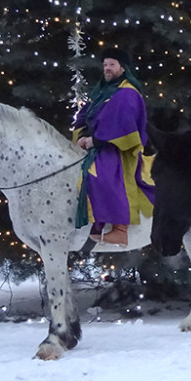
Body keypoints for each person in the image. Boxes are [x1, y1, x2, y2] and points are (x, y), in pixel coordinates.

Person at [73, 47, 155, 246]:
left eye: (111, 65)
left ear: (122, 67)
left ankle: (120, 228)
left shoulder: (127, 93)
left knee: (101, 172)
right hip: (96, 145)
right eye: (105, 65)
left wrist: (97, 141)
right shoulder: (101, 90)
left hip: (119, 149)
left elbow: (123, 124)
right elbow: (85, 114)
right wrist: (83, 135)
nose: (107, 69)